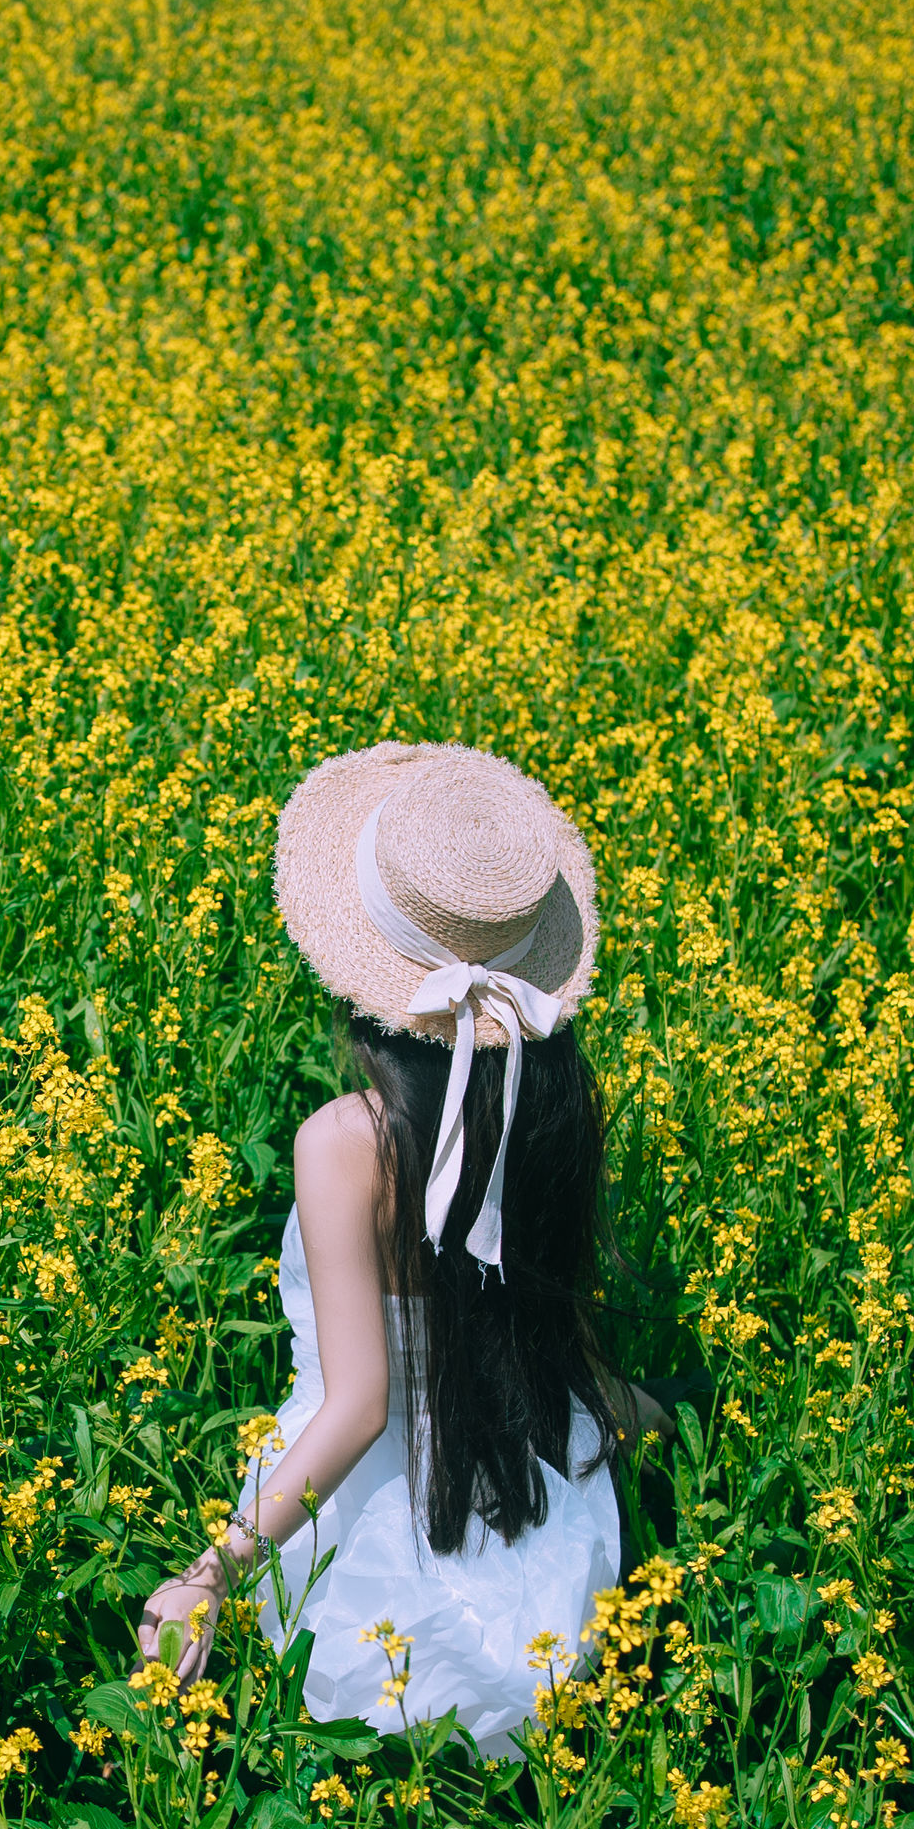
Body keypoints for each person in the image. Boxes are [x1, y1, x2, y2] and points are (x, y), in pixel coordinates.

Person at [139, 741, 642, 1756]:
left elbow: (360, 1405)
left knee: (380, 1757)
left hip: (370, 1543)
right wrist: (638, 1416)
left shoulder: (345, 1144)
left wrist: (212, 1574)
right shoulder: (556, 1098)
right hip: (530, 1519)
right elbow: (551, 1311)